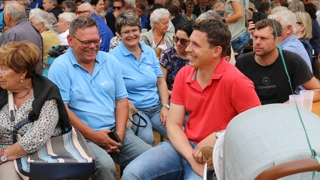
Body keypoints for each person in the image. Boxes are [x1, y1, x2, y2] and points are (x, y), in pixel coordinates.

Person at [121, 18, 261, 180]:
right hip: (184, 146)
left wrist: (219, 136)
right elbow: (173, 124)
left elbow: (254, 126)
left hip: (216, 154)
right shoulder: (185, 74)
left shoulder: (237, 81)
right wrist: (190, 157)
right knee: (131, 174)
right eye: (190, 42)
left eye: (196, 45)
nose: (188, 49)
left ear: (216, 51)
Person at [48, 16, 151, 180]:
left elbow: (122, 100)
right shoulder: (60, 67)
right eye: (86, 42)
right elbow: (63, 110)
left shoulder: (110, 61)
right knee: (105, 166)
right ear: (70, 40)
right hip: (79, 136)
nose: (93, 46)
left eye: (96, 40)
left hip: (114, 131)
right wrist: (94, 136)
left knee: (152, 159)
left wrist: (119, 135)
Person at [0, 41, 69, 180]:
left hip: (39, 155)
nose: (0, 73)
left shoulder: (46, 92)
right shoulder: (2, 91)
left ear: (23, 73)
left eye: (3, 68)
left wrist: (3, 156)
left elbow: (37, 137)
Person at [110, 10, 169, 145]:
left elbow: (160, 81)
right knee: (147, 138)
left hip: (156, 107)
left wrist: (165, 106)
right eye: (126, 32)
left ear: (140, 31)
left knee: (177, 132)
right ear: (119, 34)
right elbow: (111, 88)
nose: (131, 35)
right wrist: (124, 101)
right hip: (134, 110)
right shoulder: (112, 58)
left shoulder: (149, 51)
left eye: (134, 30)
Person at [236, 19, 320, 105]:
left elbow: (317, 91)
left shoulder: (292, 60)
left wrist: (292, 102)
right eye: (255, 37)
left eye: (263, 38)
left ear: (278, 41)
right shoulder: (242, 62)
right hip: (253, 112)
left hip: (284, 113)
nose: (257, 42)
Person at [0, 1, 43, 74]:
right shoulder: (33, 28)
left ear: (8, 16)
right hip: (34, 77)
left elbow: (3, 61)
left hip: (19, 78)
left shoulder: (11, 33)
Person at [160, 22, 192, 96]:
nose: (178, 43)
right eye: (176, 39)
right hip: (171, 97)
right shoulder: (167, 55)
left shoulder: (196, 56)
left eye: (183, 41)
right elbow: (161, 84)